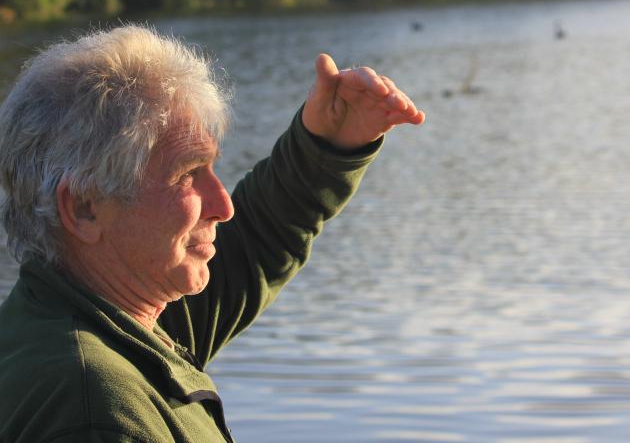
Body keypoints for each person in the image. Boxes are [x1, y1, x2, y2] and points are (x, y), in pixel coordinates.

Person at [0, 25, 424, 442]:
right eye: (188, 174)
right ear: (84, 208)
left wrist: (329, 144)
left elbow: (254, 246)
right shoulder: (96, 411)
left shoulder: (104, 316)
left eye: (210, 169)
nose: (223, 206)